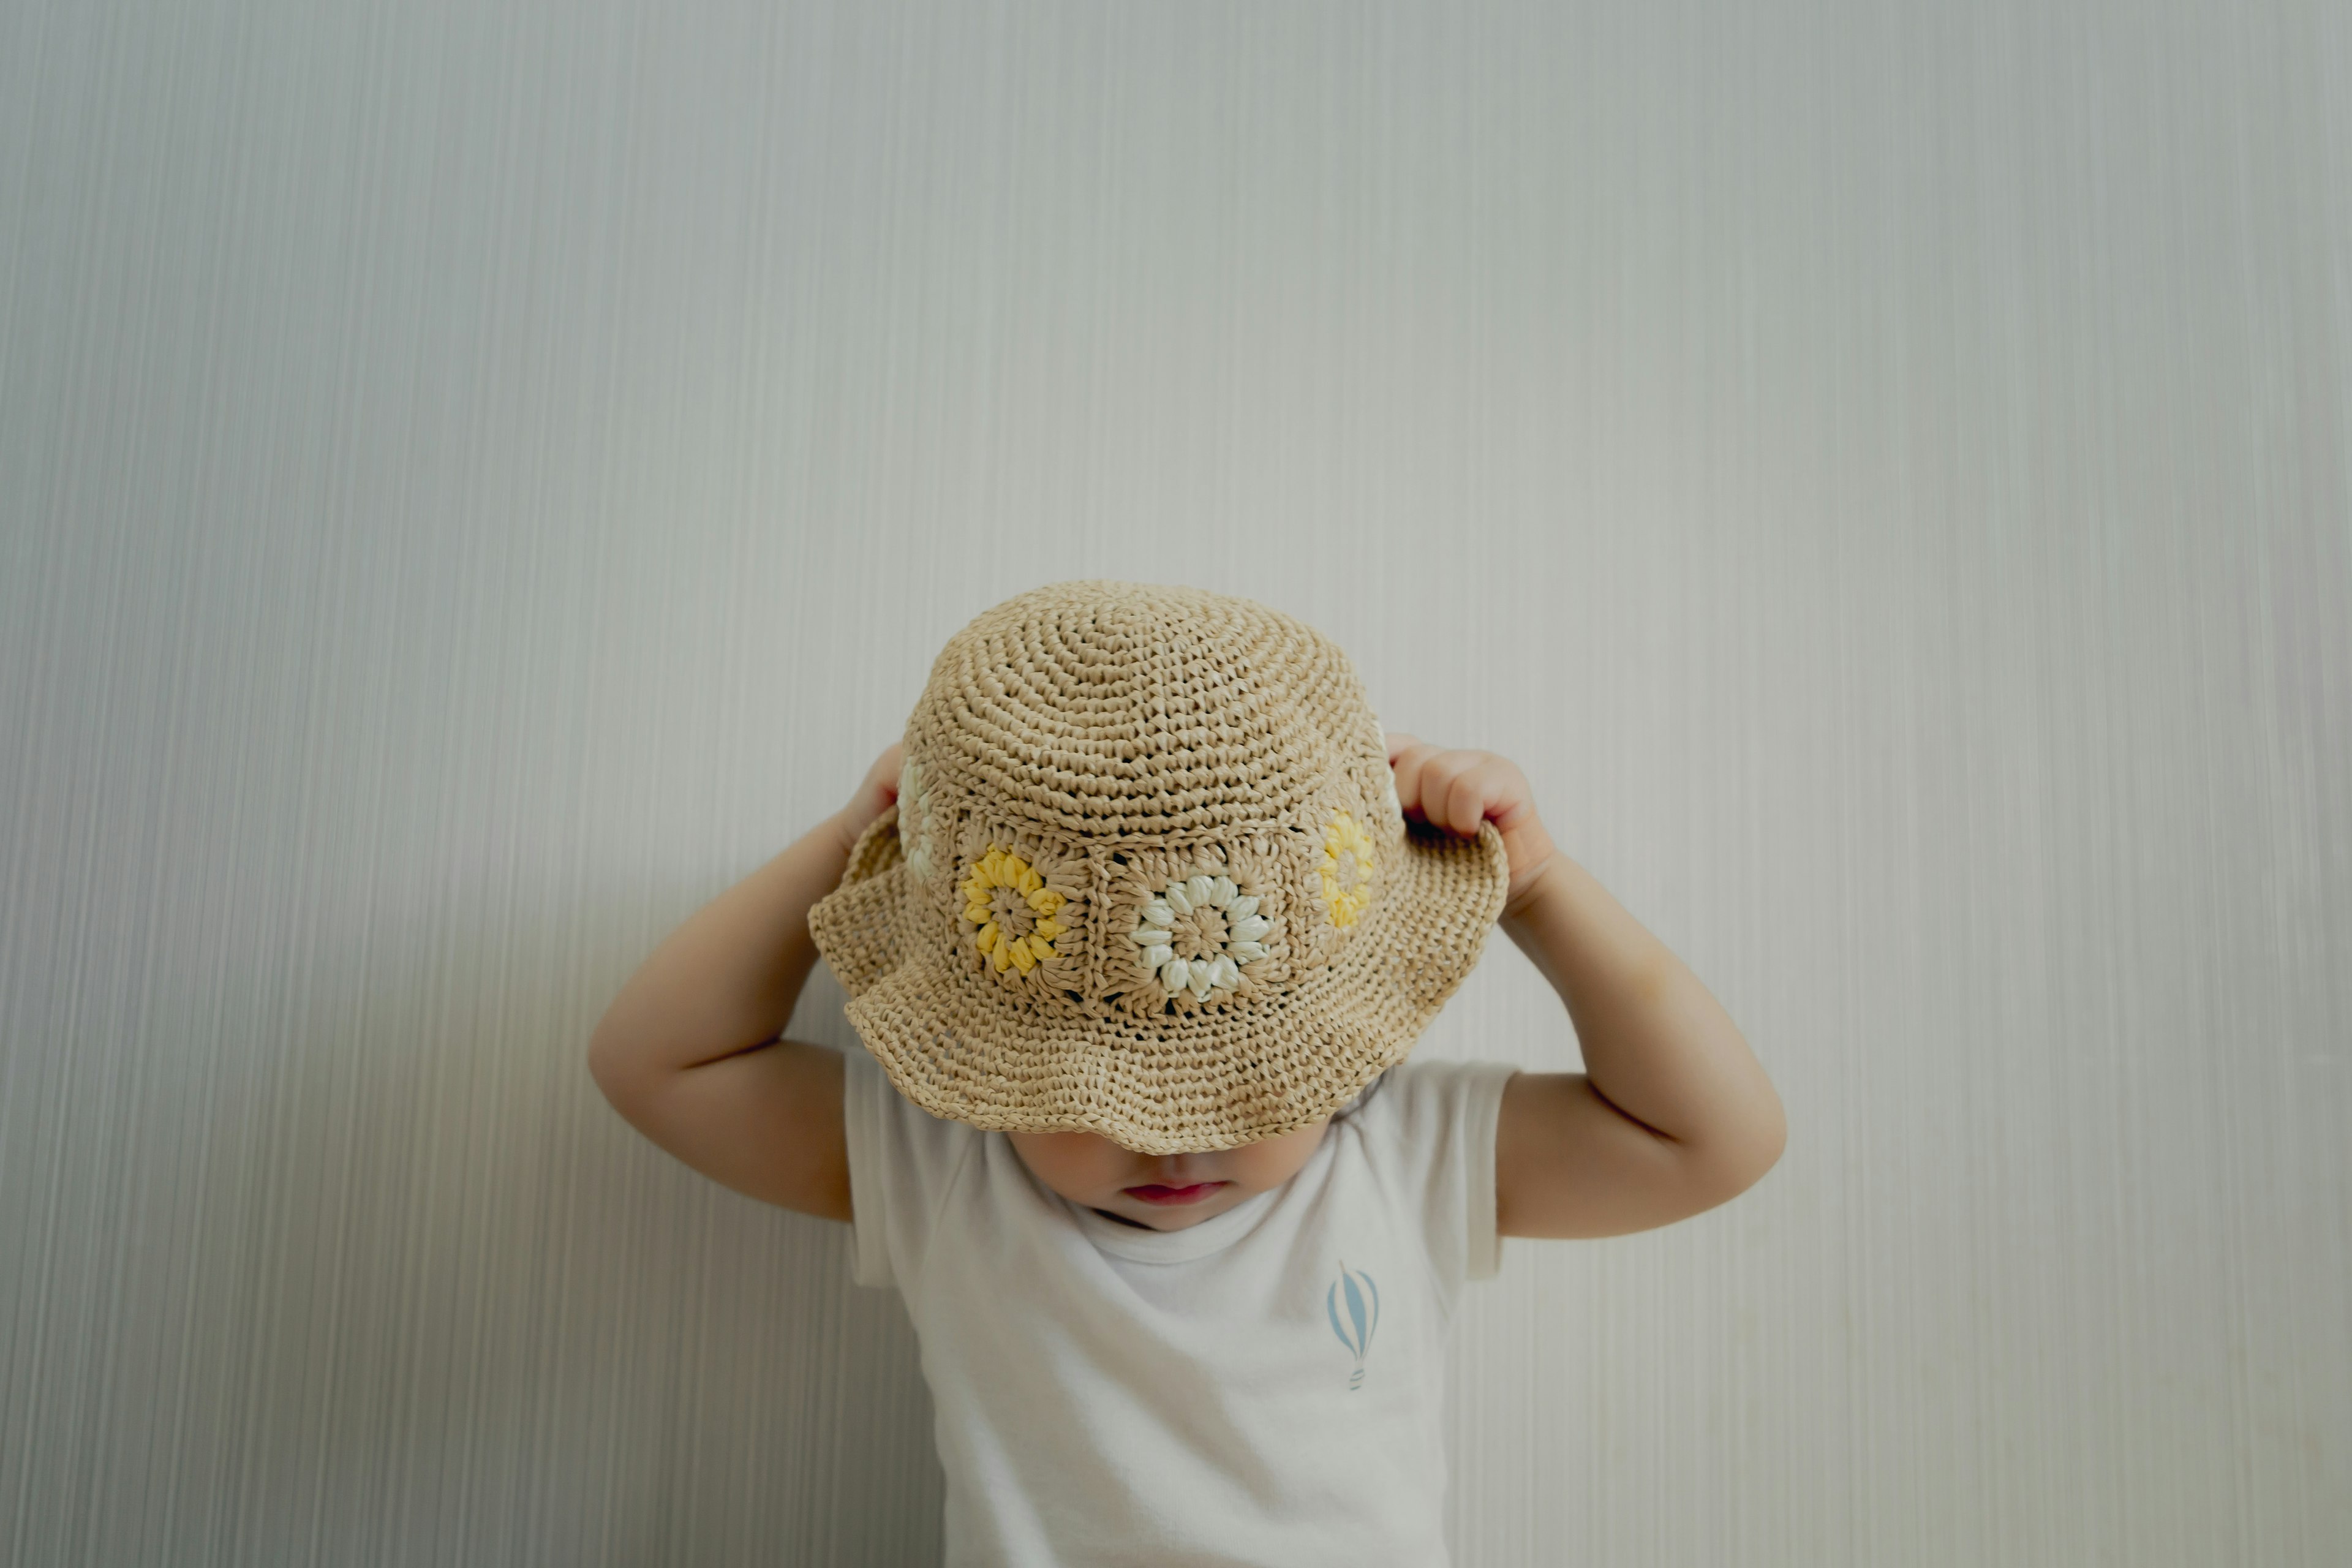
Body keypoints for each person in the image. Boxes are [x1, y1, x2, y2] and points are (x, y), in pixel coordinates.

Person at [587, 580, 1786, 1567]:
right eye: (1095, 1090)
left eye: (1236, 1086)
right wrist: (862, 840)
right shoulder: (947, 1164)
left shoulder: (1401, 1153)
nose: (1172, 1141)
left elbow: (1717, 1136)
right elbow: (654, 1060)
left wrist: (1536, 886)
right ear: (989, 1063)